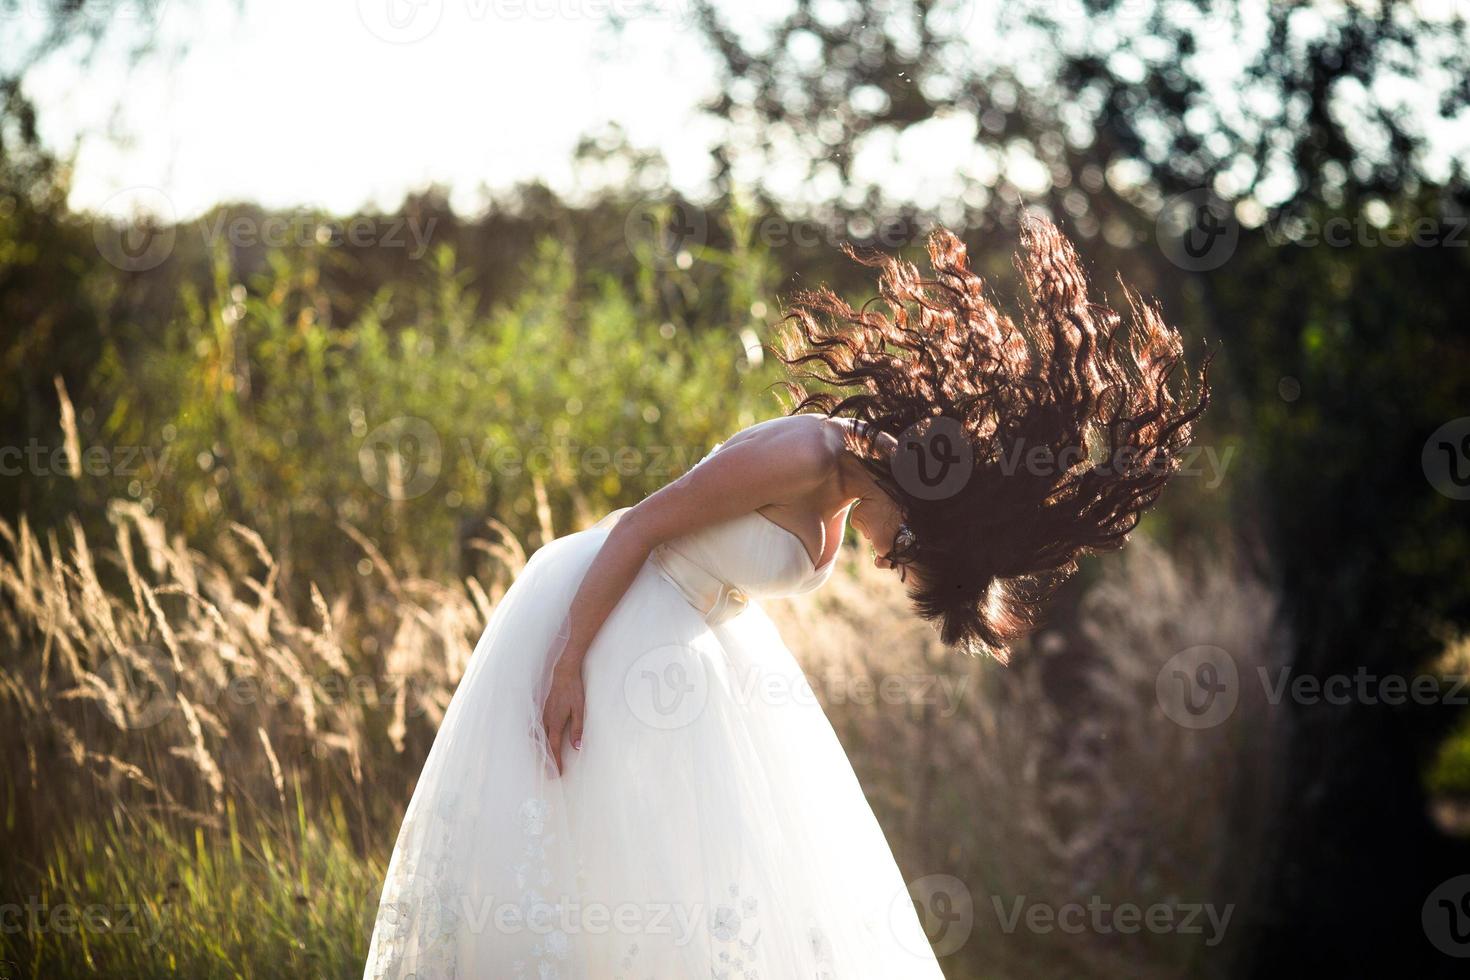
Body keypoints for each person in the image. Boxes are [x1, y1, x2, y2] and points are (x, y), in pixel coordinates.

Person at [364, 216, 1210, 978]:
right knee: (598, 853)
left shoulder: (842, 500)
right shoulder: (805, 455)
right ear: (911, 502)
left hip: (685, 645)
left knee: (694, 875)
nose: (888, 567)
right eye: (906, 554)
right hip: (613, 610)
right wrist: (568, 661)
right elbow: (640, 527)